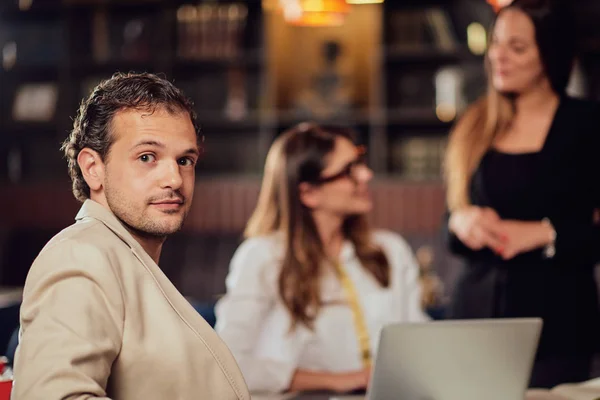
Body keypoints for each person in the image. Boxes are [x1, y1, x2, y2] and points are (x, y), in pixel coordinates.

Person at [11, 72, 250, 399]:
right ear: (93, 168)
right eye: (147, 157)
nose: (175, 179)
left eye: (185, 160)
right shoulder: (81, 256)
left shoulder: (121, 258)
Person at [443, 0, 600, 389]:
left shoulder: (587, 125)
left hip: (558, 324)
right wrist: (461, 222)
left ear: (550, 54)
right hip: (473, 319)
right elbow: (449, 225)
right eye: (496, 43)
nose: (499, 56)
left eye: (517, 47)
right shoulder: (475, 123)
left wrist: (547, 233)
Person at [215, 122, 428, 394]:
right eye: (349, 170)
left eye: (360, 162)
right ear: (308, 193)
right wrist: (342, 381)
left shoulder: (390, 250)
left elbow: (418, 338)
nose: (366, 174)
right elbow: (228, 362)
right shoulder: (262, 256)